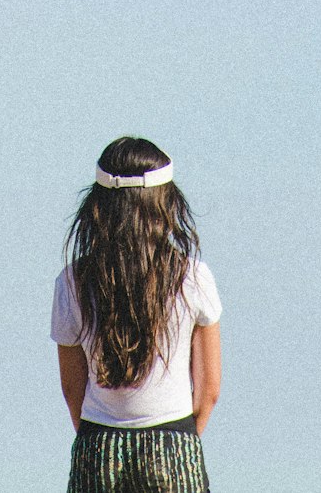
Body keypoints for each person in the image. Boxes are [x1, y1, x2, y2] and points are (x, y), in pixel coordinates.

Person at [51, 137, 223, 493]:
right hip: (173, 442)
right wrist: (177, 445)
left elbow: (73, 390)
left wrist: (101, 442)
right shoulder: (192, 277)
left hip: (98, 447)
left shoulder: (71, 281)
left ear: (97, 206)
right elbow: (209, 391)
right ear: (166, 203)